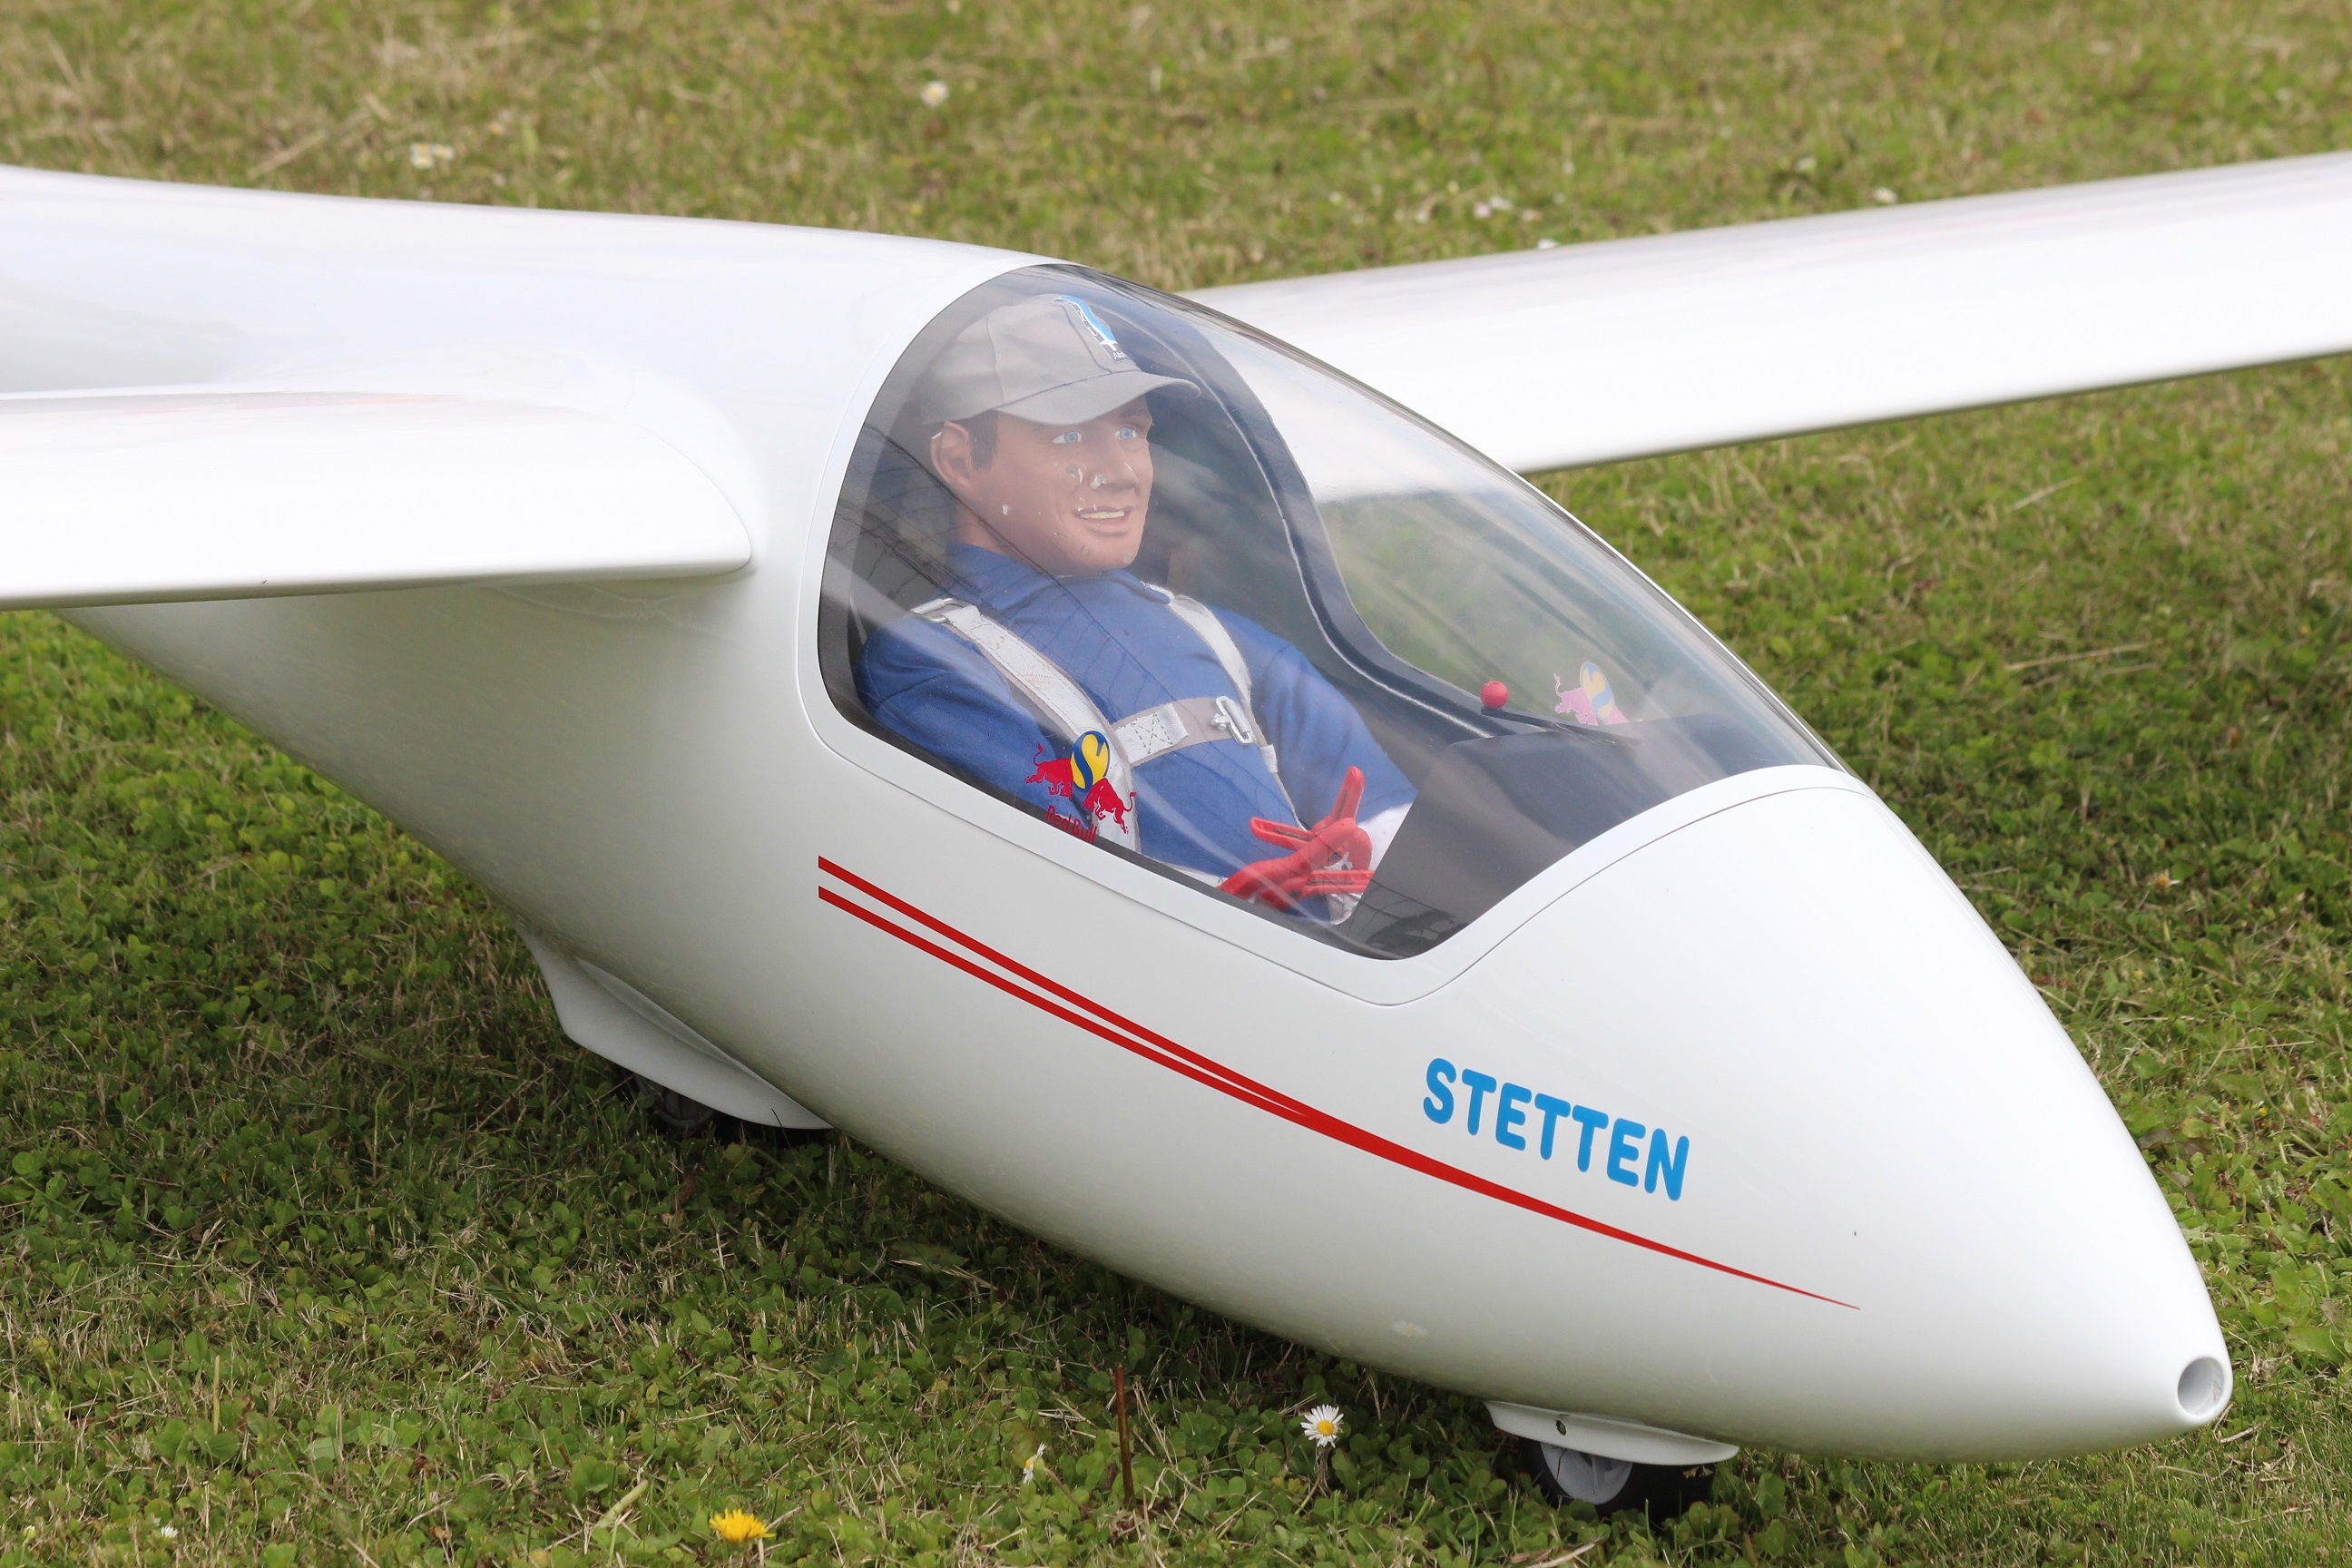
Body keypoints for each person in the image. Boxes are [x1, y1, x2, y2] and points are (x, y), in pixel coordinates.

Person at [855, 293, 1415, 916]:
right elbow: (1065, 902)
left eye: (1131, 431)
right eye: (1069, 436)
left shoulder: (1211, 633)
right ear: (960, 459)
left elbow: (1394, 827)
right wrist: (1233, 909)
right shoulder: (934, 664)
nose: (1121, 471)